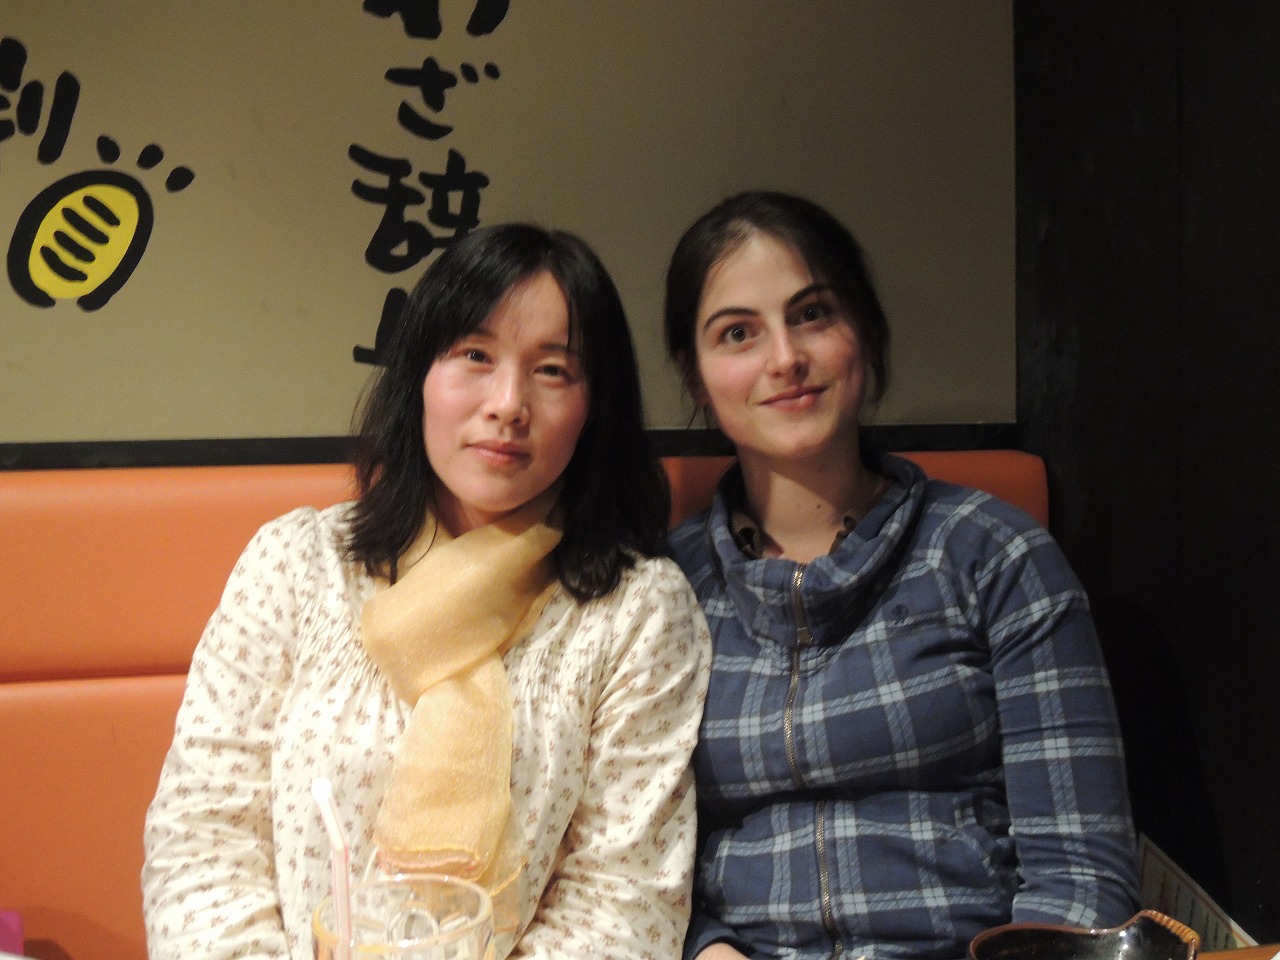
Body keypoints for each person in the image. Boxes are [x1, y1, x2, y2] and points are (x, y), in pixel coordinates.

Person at [143, 223, 712, 960]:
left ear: (594, 405)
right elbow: (202, 841)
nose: (508, 403)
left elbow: (624, 909)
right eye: (475, 355)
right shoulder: (297, 564)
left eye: (552, 371)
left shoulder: (636, 613)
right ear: (419, 373)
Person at [662, 191, 1139, 960]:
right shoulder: (663, 592)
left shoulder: (995, 554)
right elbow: (629, 862)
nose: (784, 358)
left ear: (866, 331)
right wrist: (705, 949)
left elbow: (1080, 871)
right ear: (695, 375)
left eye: (812, 314)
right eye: (738, 333)